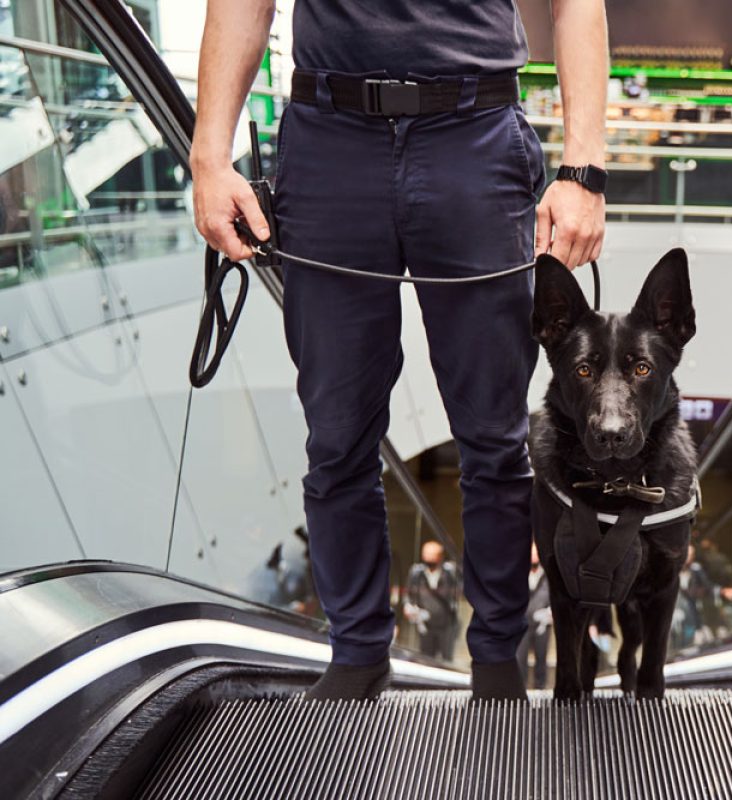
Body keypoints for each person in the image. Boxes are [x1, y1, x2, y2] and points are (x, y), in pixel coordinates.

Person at [190, 0, 609, 701]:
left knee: (494, 437)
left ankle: (498, 660)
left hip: (475, 134)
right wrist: (208, 158)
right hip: (329, 143)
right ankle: (357, 654)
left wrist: (585, 170)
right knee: (336, 436)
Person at [403, 541, 460, 661]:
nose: (429, 558)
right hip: (425, 624)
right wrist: (408, 606)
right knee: (426, 658)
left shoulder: (449, 573)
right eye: (426, 554)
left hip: (446, 624)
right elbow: (408, 594)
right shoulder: (417, 573)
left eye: (432, 555)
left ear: (440, 556)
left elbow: (457, 592)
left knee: (446, 659)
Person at [516, 544, 552, 689]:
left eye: (536, 553)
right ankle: (521, 690)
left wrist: (550, 613)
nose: (534, 556)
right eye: (531, 553)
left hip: (542, 624)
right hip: (522, 623)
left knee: (541, 658)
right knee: (520, 658)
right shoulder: (519, 572)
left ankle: (540, 688)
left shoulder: (548, 574)